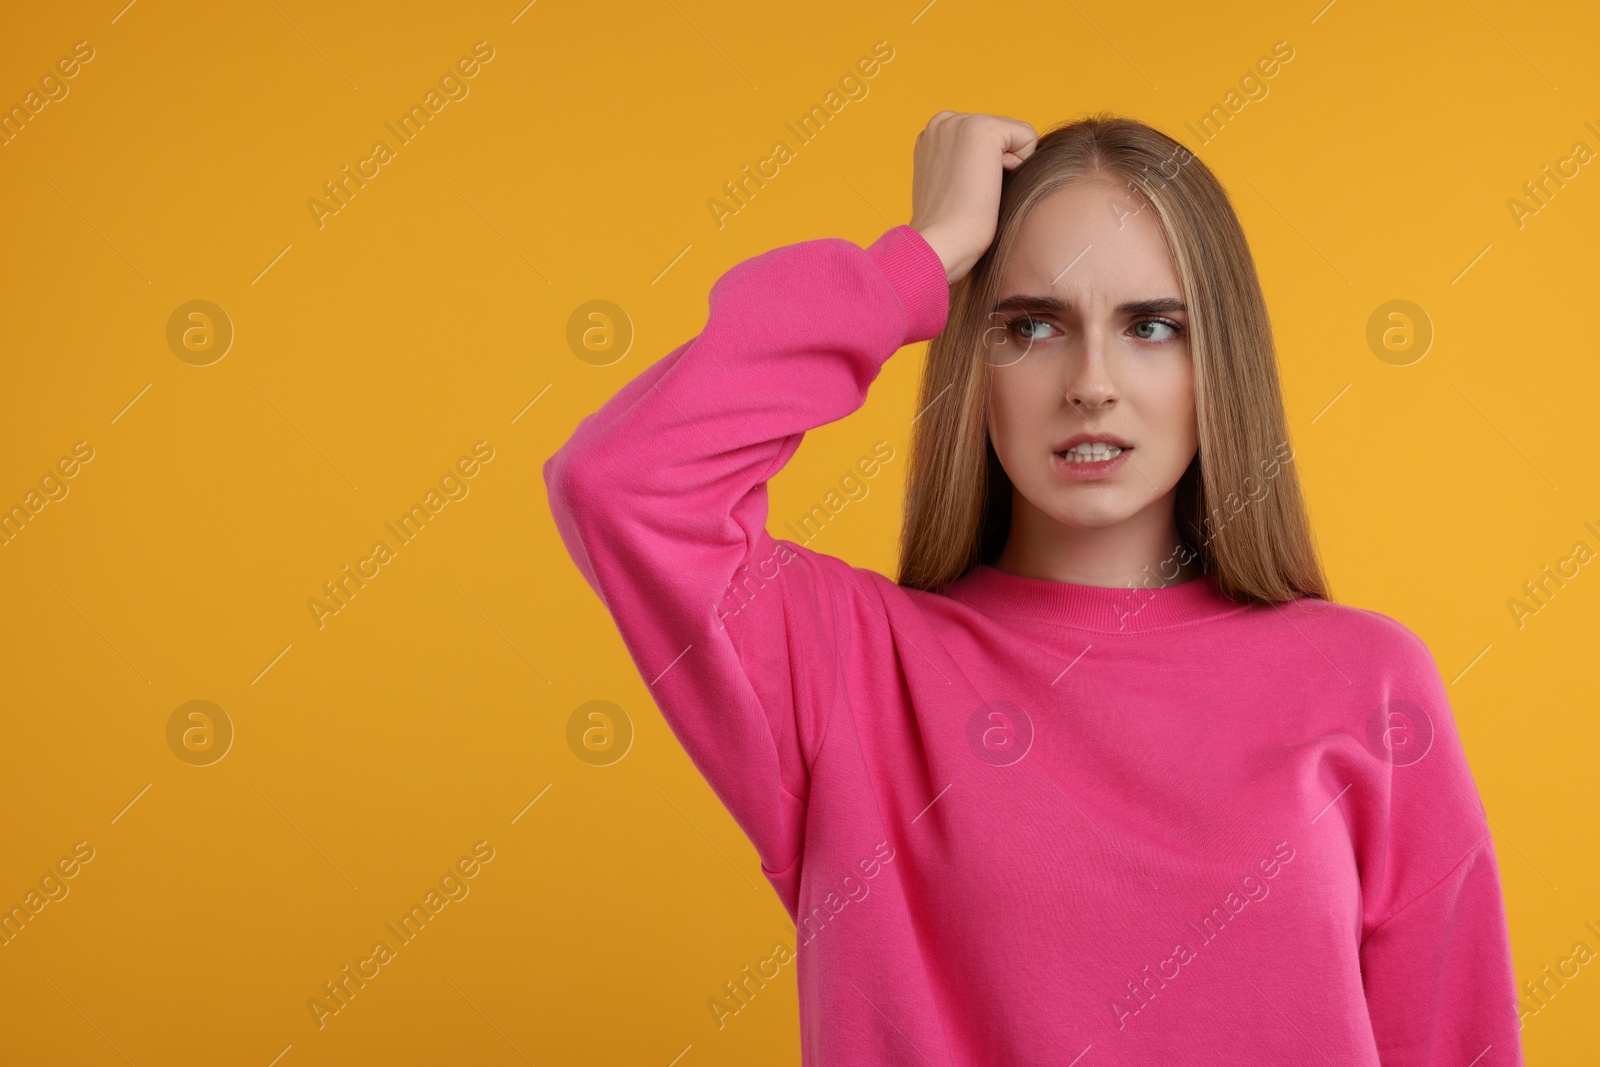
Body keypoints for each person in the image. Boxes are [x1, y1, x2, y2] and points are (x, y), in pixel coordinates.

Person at [543, 110, 1523, 1066]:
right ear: (971, 356)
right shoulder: (851, 670)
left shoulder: (1364, 677)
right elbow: (624, 481)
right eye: (1031, 325)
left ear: (1216, 360)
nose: (1090, 380)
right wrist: (923, 258)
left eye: (1149, 325)